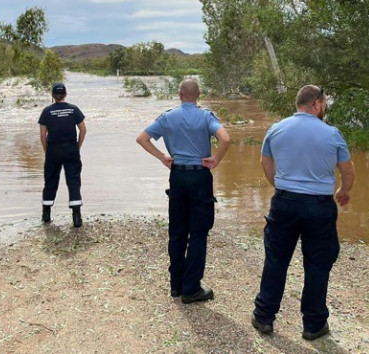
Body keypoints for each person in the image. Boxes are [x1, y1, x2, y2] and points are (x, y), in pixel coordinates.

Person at [251, 85, 354, 340]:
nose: (325, 107)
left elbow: (265, 162)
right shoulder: (332, 133)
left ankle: (264, 317)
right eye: (325, 103)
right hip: (319, 206)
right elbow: (348, 170)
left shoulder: (276, 129)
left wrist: (280, 186)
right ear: (317, 104)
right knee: (318, 264)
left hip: (285, 203)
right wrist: (344, 190)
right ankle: (314, 324)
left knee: (276, 260)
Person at [136, 78, 231, 304]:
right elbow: (226, 138)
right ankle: (192, 288)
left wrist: (162, 157)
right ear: (198, 94)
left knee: (177, 231)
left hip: (177, 175)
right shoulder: (206, 116)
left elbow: (141, 138)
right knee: (198, 233)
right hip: (199, 175)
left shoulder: (168, 117)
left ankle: (176, 286)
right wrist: (216, 159)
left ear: (179, 95)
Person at [38, 82, 86, 228]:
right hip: (71, 149)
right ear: (65, 94)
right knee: (73, 181)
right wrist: (77, 147)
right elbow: (83, 130)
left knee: (50, 181)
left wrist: (47, 151)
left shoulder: (47, 111)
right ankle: (76, 218)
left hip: (53, 150)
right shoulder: (73, 109)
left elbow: (42, 134)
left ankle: (46, 215)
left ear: (53, 95)